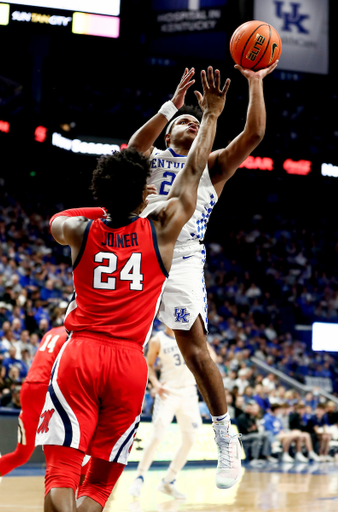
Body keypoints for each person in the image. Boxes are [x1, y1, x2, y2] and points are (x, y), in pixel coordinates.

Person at [35, 68, 240, 512]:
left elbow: (57, 219)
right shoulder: (160, 232)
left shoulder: (78, 230)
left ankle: (226, 434)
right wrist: (211, 116)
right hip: (128, 362)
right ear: (143, 191)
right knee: (98, 487)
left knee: (62, 476)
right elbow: (185, 189)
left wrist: (114, 205)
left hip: (82, 352)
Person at [127, 61, 278, 480]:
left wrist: (254, 82)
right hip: (136, 250)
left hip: (184, 256)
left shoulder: (210, 165)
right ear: (170, 128)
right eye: (185, 121)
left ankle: (226, 438)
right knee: (119, 342)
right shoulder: (151, 159)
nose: (193, 124)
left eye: (199, 121)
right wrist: (169, 107)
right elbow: (131, 150)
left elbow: (254, 135)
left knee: (195, 351)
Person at [129, 325, 202, 499]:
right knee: (157, 436)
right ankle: (139, 477)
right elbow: (149, 365)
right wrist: (155, 383)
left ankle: (169, 480)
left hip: (189, 394)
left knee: (190, 440)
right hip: (168, 392)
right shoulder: (157, 340)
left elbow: (209, 357)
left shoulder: (190, 335)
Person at [0, 325, 67, 479]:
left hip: (28, 387)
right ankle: (74, 499)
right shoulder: (74, 335)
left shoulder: (51, 332)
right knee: (67, 455)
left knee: (21, 455)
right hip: (48, 389)